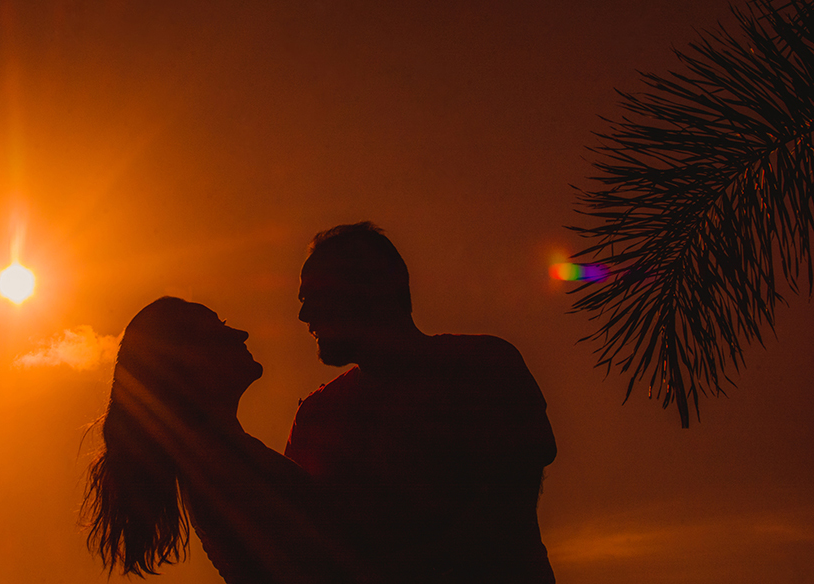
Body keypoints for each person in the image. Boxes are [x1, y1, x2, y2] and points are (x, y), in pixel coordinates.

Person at [286, 222, 557, 583]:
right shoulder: (316, 417)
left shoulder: (482, 365)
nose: (305, 315)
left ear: (375, 285)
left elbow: (505, 508)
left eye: (315, 295)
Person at [82, 296, 359, 584]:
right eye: (220, 327)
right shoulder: (223, 468)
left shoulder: (219, 459)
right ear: (191, 361)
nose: (242, 334)